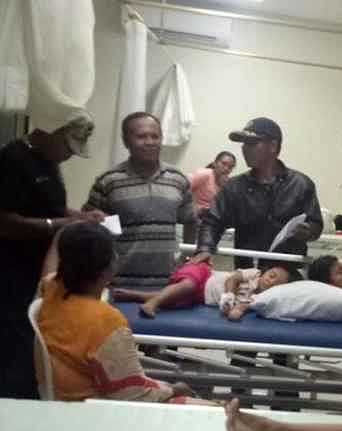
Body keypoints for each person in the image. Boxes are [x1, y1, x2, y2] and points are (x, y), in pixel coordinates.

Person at [0, 111, 104, 399]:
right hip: (11, 272)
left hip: (39, 269)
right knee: (14, 346)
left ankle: (29, 399)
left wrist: (80, 216)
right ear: (53, 132)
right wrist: (58, 225)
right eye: (69, 147)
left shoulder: (48, 163)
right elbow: (5, 221)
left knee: (31, 345)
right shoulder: (12, 160)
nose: (69, 156)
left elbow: (50, 207)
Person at [37, 223, 200, 403]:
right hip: (97, 408)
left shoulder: (51, 289)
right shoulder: (106, 321)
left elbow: (51, 268)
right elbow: (136, 395)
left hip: (63, 397)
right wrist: (174, 389)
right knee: (216, 411)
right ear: (107, 270)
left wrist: (63, 232)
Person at [192, 117, 323, 269]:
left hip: (287, 273)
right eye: (244, 143)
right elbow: (213, 220)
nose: (244, 148)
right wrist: (205, 248)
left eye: (252, 143)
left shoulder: (301, 184)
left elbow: (315, 224)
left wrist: (307, 231)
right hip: (246, 273)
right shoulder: (234, 187)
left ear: (273, 146)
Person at [83, 111, 193, 289]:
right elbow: (91, 230)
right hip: (118, 285)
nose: (149, 142)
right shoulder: (108, 181)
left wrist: (186, 259)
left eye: (155, 136)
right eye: (141, 136)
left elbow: (190, 220)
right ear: (126, 141)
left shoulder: (178, 179)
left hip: (166, 286)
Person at [112, 261, 302, 320]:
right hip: (203, 275)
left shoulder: (260, 299)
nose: (270, 280)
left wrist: (229, 309)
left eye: (276, 282)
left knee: (175, 298)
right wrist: (229, 294)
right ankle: (152, 304)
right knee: (187, 286)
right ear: (266, 271)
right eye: (272, 274)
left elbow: (238, 310)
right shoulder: (255, 273)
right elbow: (233, 278)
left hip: (200, 297)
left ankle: (133, 295)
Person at [184, 151, 236, 245]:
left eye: (230, 167)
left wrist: (224, 187)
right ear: (215, 163)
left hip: (210, 217)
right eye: (223, 164)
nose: (226, 168)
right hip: (194, 216)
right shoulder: (205, 174)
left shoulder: (227, 183)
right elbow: (182, 189)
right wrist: (194, 207)